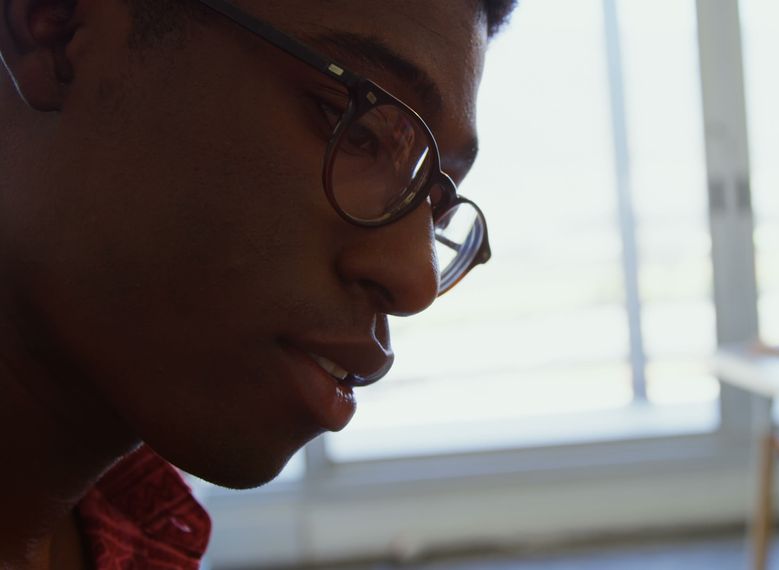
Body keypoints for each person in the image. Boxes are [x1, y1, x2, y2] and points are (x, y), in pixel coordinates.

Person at [0, 0, 516, 568]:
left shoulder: (144, 537)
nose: (416, 281)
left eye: (435, 207)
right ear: (57, 25)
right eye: (358, 130)